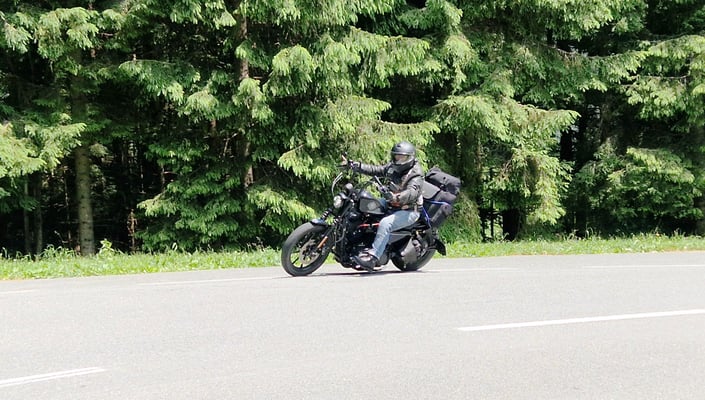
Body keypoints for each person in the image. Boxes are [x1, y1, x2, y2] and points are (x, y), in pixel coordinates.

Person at [346, 141, 424, 269]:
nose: (398, 160)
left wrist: (396, 197)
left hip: (409, 210)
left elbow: (411, 192)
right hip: (391, 203)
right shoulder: (393, 167)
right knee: (367, 206)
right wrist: (356, 166)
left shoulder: (416, 174)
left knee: (385, 223)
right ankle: (355, 242)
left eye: (402, 157)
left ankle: (373, 258)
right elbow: (377, 170)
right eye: (396, 156)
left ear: (410, 158)